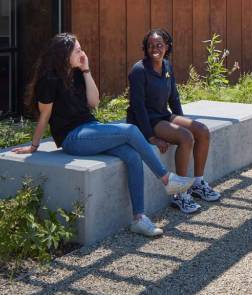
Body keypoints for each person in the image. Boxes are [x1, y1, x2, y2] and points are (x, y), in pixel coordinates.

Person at [14, 32, 193, 238]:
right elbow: (45, 115)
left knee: (132, 156)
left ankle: (139, 219)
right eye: (78, 50)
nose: (82, 53)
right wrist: (33, 146)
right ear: (64, 54)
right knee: (131, 130)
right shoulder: (49, 79)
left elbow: (93, 103)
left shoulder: (77, 73)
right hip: (72, 138)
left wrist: (86, 70)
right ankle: (166, 179)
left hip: (90, 129)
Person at [128, 28, 221, 215]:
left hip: (163, 114)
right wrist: (151, 137)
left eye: (159, 45)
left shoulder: (167, 66)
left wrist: (181, 120)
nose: (155, 48)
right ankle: (179, 194)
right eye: (151, 45)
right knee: (185, 137)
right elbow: (137, 107)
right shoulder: (139, 70)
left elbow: (174, 98)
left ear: (167, 46)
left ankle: (197, 183)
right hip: (146, 119)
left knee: (201, 130)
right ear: (145, 49)